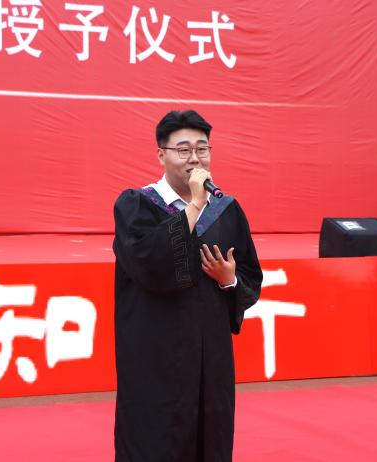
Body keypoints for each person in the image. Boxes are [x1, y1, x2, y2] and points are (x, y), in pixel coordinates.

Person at [113, 109, 263, 461]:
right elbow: (149, 264)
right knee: (155, 440)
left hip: (210, 360)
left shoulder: (226, 209)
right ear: (161, 155)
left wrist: (229, 280)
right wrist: (194, 204)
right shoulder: (136, 205)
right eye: (183, 150)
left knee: (210, 438)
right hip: (155, 357)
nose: (195, 158)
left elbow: (249, 277)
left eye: (202, 149)